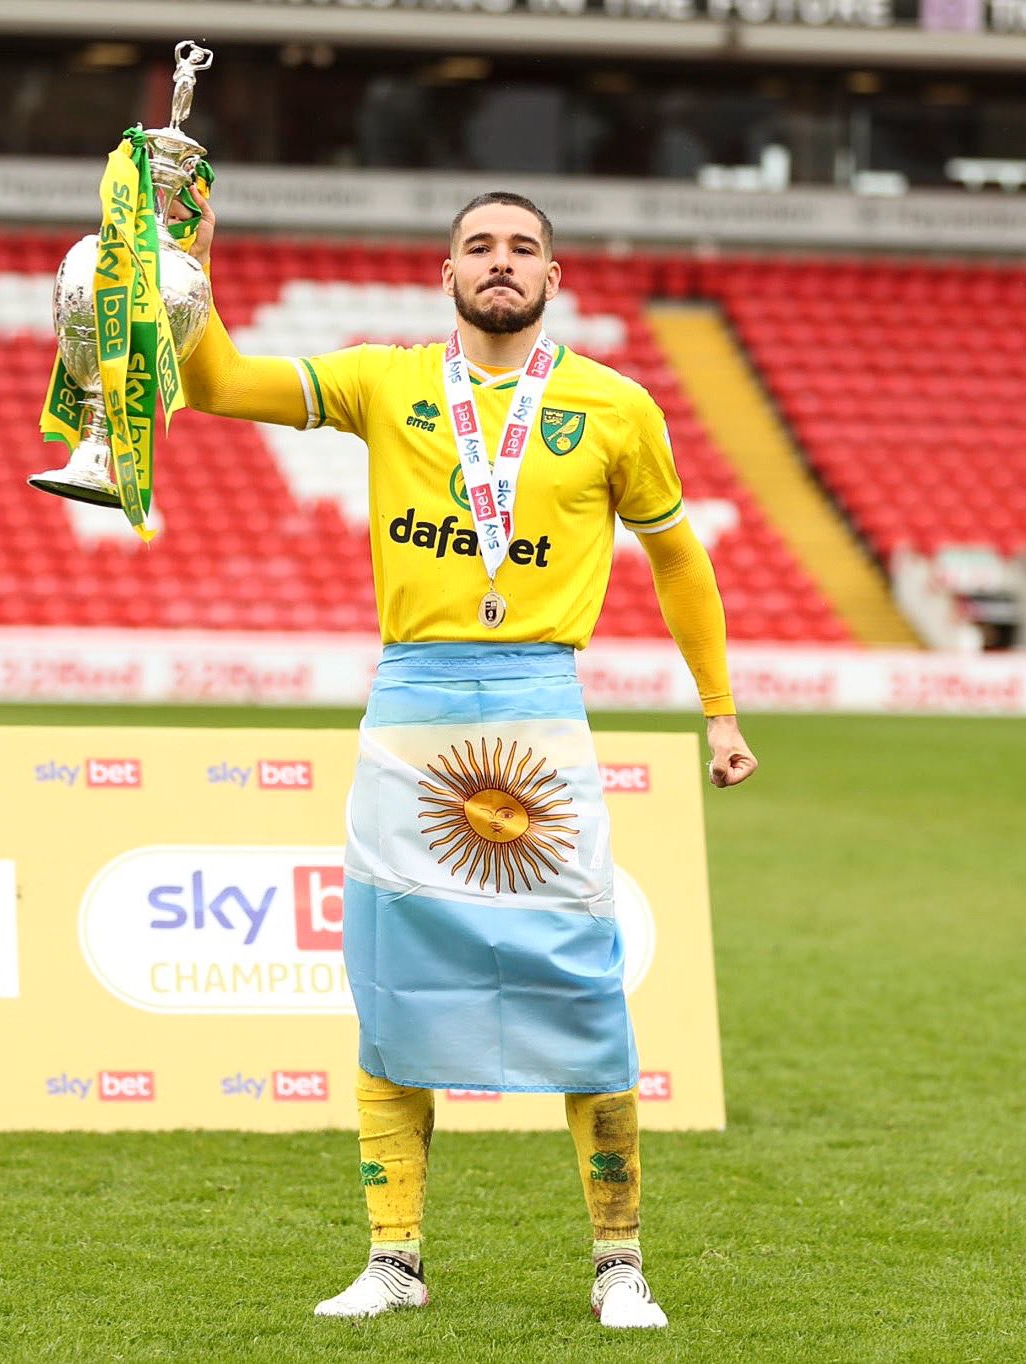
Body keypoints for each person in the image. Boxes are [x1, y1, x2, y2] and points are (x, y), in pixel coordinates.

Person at [173, 186, 757, 1329]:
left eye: (521, 247)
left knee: (582, 989)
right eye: (478, 246)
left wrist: (719, 710)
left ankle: (619, 1262)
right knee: (391, 988)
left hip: (540, 706)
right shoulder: (384, 381)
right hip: (412, 704)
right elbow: (217, 385)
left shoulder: (615, 405)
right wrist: (191, 273)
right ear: (444, 273)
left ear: (553, 276)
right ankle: (393, 1257)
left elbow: (678, 558)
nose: (500, 261)